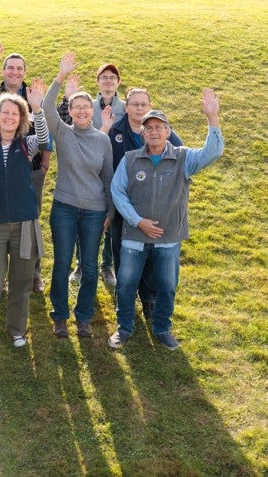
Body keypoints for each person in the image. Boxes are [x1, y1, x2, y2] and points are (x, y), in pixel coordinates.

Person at [109, 90, 224, 350]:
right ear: (143, 134)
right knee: (126, 284)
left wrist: (213, 117)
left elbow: (213, 152)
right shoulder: (129, 160)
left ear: (168, 131)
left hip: (169, 237)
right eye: (148, 128)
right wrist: (137, 221)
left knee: (167, 285)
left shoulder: (184, 158)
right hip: (135, 236)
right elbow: (117, 192)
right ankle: (124, 328)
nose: (153, 132)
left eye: (158, 127)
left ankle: (162, 328)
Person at [0, 84, 49, 361]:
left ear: (21, 118)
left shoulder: (26, 146)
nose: (10, 117)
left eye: (15, 113)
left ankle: (17, 329)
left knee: (21, 282)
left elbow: (43, 138)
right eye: (5, 112)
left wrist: (37, 108)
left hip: (24, 226)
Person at [0, 44, 51, 293]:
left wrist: (45, 164)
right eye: (10, 68)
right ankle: (0, 274)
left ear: (24, 73)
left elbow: (47, 133)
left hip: (30, 169)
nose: (14, 72)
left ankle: (32, 272)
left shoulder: (33, 95)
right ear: (2, 71)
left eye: (19, 68)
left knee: (29, 221)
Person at [43, 53, 114, 340]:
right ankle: (60, 316)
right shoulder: (63, 133)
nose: (83, 111)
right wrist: (60, 77)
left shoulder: (103, 140)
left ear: (92, 111)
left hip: (95, 212)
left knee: (88, 266)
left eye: (86, 107)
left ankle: (83, 318)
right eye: (77, 107)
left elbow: (107, 177)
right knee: (61, 263)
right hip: (64, 209)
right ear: (70, 112)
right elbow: (47, 107)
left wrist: (109, 212)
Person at [106, 88, 184, 316]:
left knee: (152, 251)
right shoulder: (116, 129)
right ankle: (125, 297)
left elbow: (180, 156)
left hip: (153, 202)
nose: (139, 108)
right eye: (135, 104)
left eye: (143, 104)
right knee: (123, 251)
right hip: (123, 204)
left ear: (149, 107)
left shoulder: (160, 130)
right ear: (126, 107)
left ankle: (149, 297)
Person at [63, 63, 125, 286]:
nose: (108, 81)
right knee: (86, 216)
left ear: (118, 82)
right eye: (104, 77)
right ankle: (81, 263)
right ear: (97, 81)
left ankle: (106, 265)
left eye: (112, 77)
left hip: (116, 169)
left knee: (110, 218)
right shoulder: (87, 106)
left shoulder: (125, 108)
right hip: (88, 171)